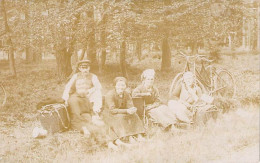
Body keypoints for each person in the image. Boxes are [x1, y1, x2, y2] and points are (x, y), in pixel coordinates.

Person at [62, 60, 104, 137]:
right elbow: (68, 86)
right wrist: (65, 98)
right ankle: (82, 126)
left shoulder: (93, 76)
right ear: (79, 68)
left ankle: (95, 113)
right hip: (77, 95)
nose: (85, 70)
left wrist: (90, 91)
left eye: (86, 67)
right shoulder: (76, 76)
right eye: (82, 68)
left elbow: (98, 86)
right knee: (75, 107)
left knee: (98, 92)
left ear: (89, 68)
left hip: (88, 96)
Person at [102, 77, 145, 149]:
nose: (121, 87)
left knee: (134, 115)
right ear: (115, 86)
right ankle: (128, 136)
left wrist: (132, 109)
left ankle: (139, 135)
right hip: (110, 114)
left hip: (122, 112)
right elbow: (112, 110)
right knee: (121, 117)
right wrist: (126, 111)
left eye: (123, 85)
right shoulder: (110, 94)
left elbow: (130, 104)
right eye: (118, 85)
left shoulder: (126, 93)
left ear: (125, 86)